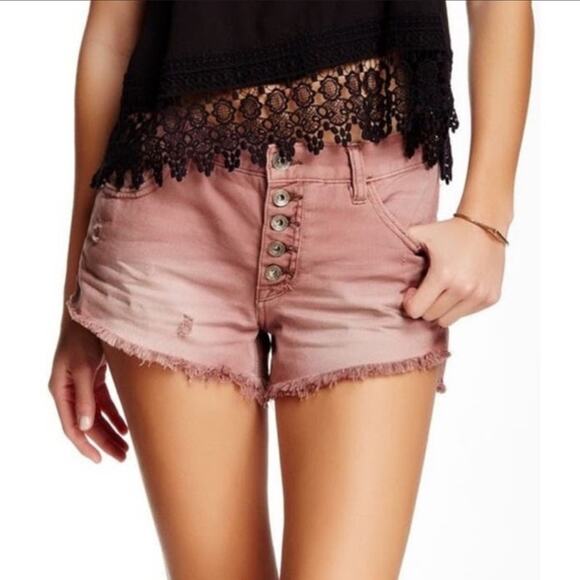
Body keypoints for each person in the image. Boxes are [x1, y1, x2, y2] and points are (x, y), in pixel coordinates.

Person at [48, 1, 534, 578]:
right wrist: (76, 307)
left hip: (366, 228)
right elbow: (111, 36)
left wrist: (487, 217)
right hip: (173, 211)